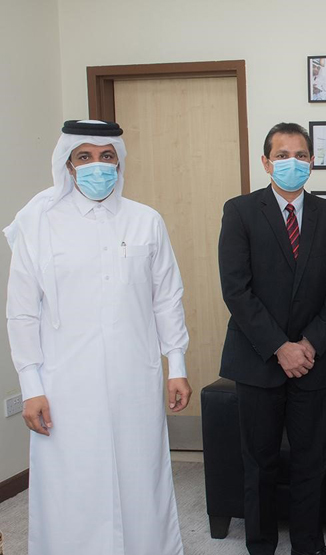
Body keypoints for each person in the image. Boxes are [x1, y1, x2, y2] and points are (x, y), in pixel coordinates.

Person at [5, 119, 191, 554]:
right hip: (65, 384)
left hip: (134, 380)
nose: (97, 166)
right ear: (68, 166)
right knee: (73, 487)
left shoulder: (146, 221)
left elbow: (167, 299)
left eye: (106, 157)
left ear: (119, 162)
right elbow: (21, 313)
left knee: (141, 480)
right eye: (84, 157)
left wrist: (176, 367)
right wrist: (31, 386)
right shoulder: (39, 223)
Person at [218, 122, 326, 555]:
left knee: (311, 462)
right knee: (259, 462)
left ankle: (308, 545)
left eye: (300, 155)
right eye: (282, 155)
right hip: (258, 359)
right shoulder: (239, 211)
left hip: (312, 361)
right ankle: (260, 545)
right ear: (266, 162)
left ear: (312, 161)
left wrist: (308, 345)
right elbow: (236, 290)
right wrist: (281, 347)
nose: (291, 162)